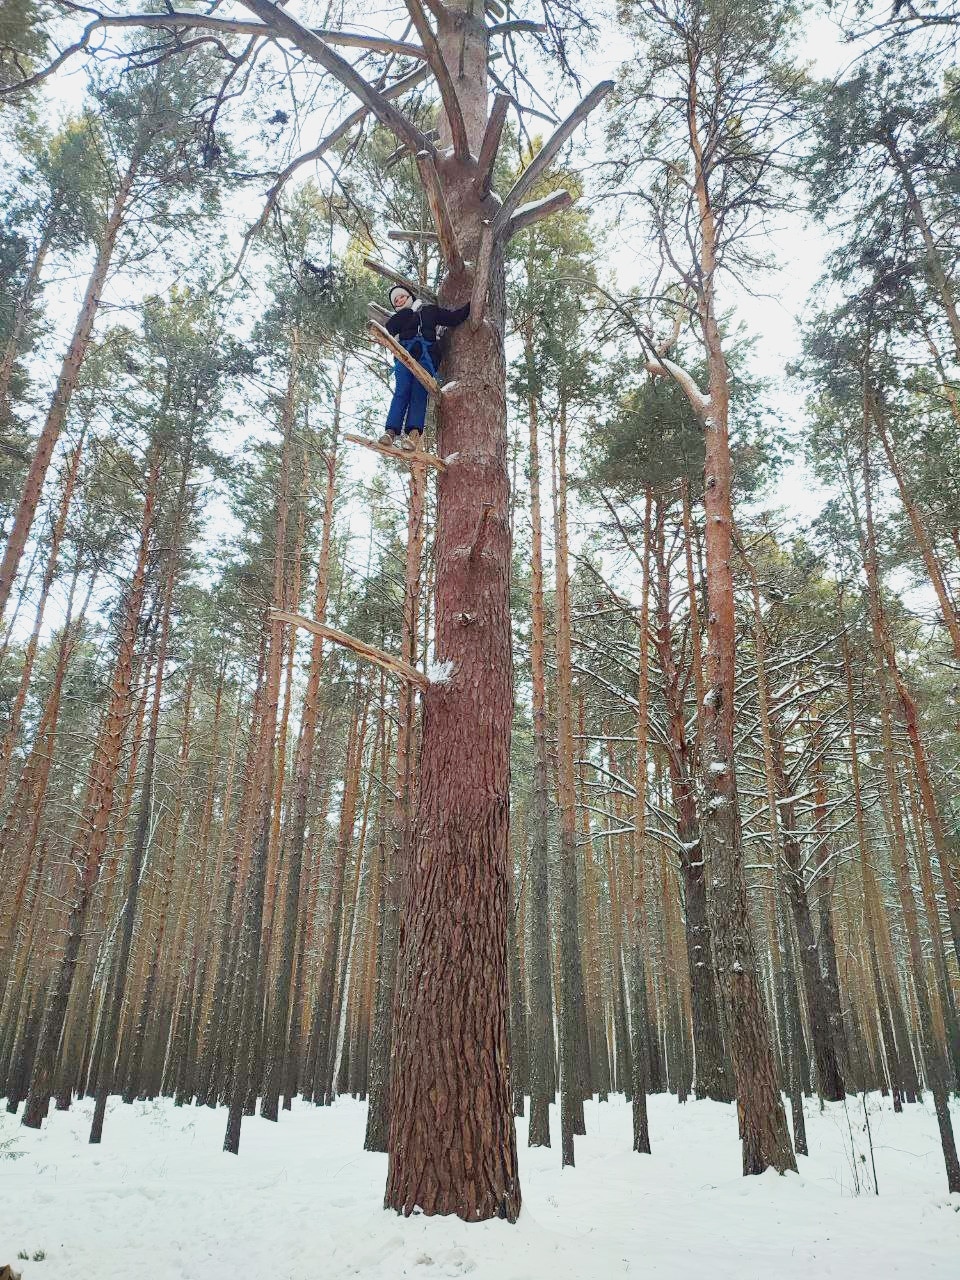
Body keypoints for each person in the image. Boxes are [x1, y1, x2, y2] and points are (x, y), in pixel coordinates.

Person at [379, 285, 470, 451]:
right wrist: (409, 312)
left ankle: (413, 434)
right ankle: (390, 431)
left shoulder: (430, 311)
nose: (399, 301)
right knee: (402, 391)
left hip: (426, 357)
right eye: (396, 301)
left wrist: (472, 305)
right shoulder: (400, 317)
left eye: (402, 297)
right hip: (404, 356)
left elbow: (454, 318)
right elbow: (390, 328)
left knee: (419, 392)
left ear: (410, 296)